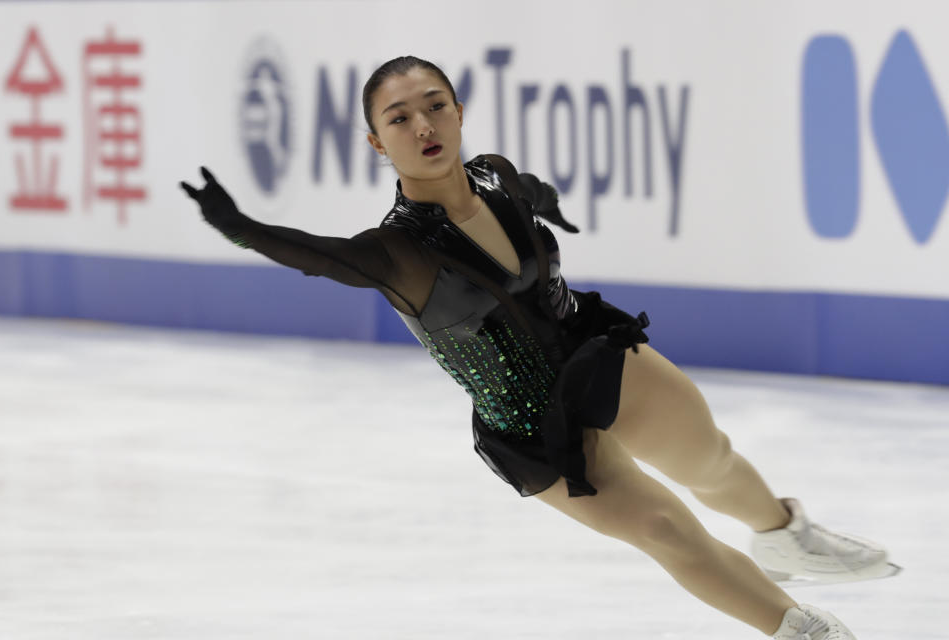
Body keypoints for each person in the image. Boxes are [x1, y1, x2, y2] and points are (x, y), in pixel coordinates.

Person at [181, 56, 892, 639]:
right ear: (376, 142)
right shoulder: (396, 251)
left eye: (435, 105)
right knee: (670, 530)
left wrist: (543, 201)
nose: (423, 125)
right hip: (529, 424)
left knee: (710, 457)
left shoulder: (491, 171)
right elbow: (313, 254)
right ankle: (808, 633)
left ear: (459, 110)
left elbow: (523, 187)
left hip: (591, 349)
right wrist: (237, 225)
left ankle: (783, 532)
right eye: (399, 118)